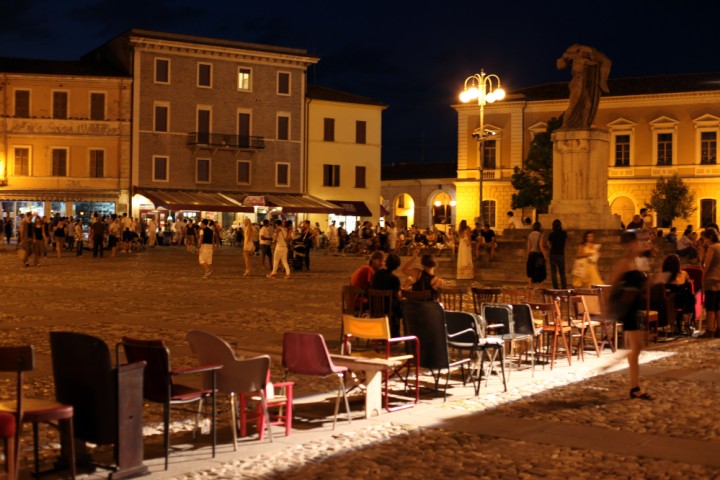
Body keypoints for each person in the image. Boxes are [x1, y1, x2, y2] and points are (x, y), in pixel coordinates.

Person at [609, 231, 654, 400]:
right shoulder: (624, 262)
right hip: (628, 307)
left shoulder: (639, 261)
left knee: (637, 348)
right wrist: (610, 309)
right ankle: (634, 387)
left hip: (635, 306)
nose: (640, 244)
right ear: (630, 244)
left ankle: (634, 385)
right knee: (637, 347)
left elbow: (643, 283)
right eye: (637, 242)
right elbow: (613, 284)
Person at [556, 44, 611, 129]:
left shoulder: (580, 57)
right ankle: (565, 124)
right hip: (577, 83)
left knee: (588, 104)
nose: (588, 55)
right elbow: (594, 62)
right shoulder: (582, 58)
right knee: (573, 105)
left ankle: (584, 125)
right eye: (587, 54)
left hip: (582, 83)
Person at [661, 253, 695, 335]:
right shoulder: (684, 274)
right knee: (687, 296)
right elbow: (689, 287)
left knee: (679, 296)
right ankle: (685, 323)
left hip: (668, 301)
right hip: (683, 301)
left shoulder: (664, 276)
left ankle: (675, 324)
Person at [371, 252, 403, 337]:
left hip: (375, 305)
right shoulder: (394, 279)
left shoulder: (376, 274)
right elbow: (398, 295)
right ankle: (395, 335)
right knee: (402, 308)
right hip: (388, 307)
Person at [701, 228, 720, 338]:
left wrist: (703, 276)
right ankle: (718, 329)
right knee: (718, 306)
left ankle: (709, 329)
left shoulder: (712, 248)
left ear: (710, 237)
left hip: (711, 279)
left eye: (705, 238)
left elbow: (706, 265)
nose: (704, 241)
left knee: (710, 306)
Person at [547, 219, 568, 289]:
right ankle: (564, 286)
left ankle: (555, 287)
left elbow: (548, 244)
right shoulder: (564, 233)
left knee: (554, 272)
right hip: (561, 254)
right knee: (562, 272)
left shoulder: (551, 234)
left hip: (553, 253)